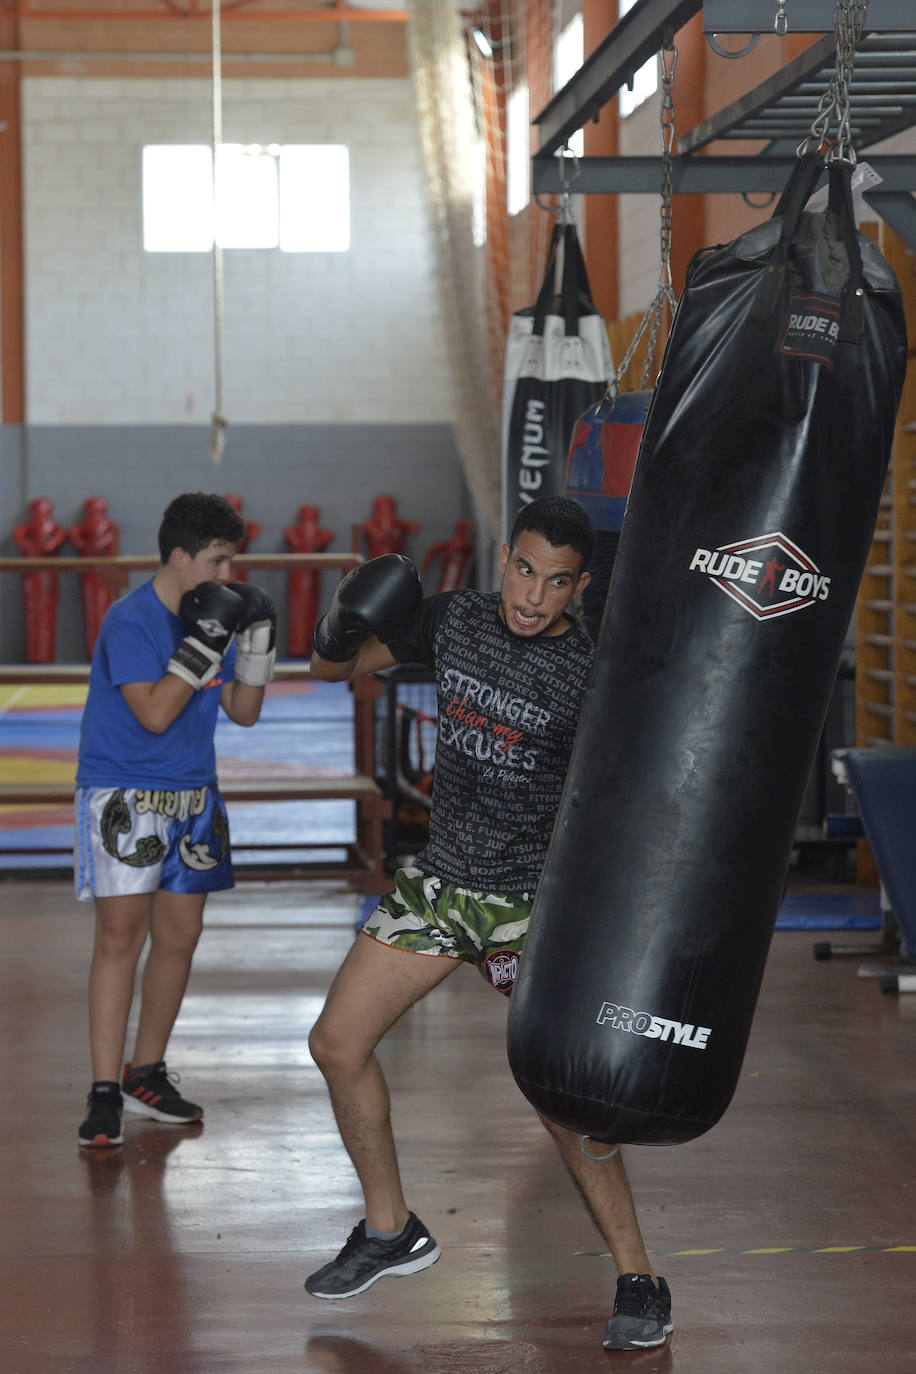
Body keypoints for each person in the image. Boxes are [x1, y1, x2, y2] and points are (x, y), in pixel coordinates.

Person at [305, 495, 672, 1352]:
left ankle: (639, 1277)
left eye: (556, 583)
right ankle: (391, 1230)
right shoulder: (454, 619)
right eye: (525, 570)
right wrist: (334, 628)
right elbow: (338, 672)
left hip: (528, 904)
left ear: (579, 588)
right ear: (505, 557)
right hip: (442, 887)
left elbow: (623, 805)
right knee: (335, 1044)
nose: (533, 596)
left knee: (560, 1096)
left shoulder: (587, 676)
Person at [75, 492, 277, 1149]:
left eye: (232, 563)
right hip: (124, 794)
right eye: (217, 561)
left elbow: (245, 714)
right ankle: (104, 1088)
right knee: (119, 937)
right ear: (180, 557)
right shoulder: (130, 620)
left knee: (181, 937)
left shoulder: (213, 611)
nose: (227, 576)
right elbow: (156, 713)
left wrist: (256, 646)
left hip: (195, 794)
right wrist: (206, 639)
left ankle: (146, 1073)